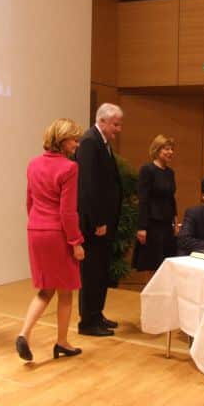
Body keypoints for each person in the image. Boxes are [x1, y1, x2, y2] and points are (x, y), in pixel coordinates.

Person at [16, 118, 85, 361]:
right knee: (66, 291)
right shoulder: (69, 168)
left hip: (35, 230)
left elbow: (29, 201)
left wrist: (38, 224)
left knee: (45, 289)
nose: (77, 144)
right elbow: (68, 212)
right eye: (74, 139)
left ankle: (24, 333)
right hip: (58, 234)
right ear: (62, 140)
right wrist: (76, 243)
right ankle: (62, 342)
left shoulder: (33, 164)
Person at [75, 103, 123, 336]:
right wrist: (97, 221)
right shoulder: (89, 142)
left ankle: (97, 313)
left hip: (105, 222)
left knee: (101, 270)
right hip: (96, 225)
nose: (119, 129)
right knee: (92, 271)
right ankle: (87, 321)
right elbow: (88, 187)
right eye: (116, 124)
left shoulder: (102, 143)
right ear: (102, 121)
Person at [132, 134, 178, 272]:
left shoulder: (170, 172)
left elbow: (171, 198)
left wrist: (176, 222)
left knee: (165, 263)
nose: (171, 152)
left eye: (171, 149)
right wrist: (141, 227)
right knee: (151, 263)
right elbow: (143, 200)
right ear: (157, 150)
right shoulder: (147, 170)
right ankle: (149, 293)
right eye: (167, 149)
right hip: (152, 224)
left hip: (166, 224)